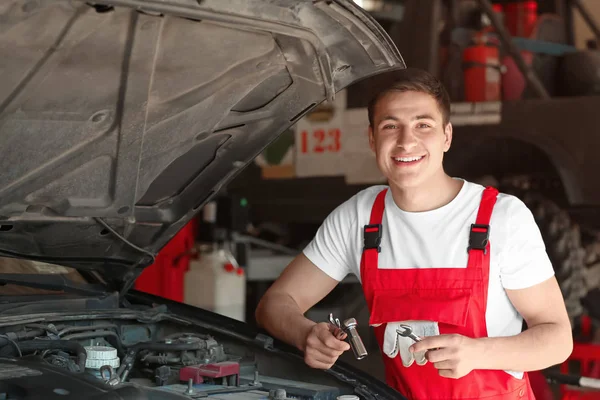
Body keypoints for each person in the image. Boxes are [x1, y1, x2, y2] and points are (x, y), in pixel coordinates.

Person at [254, 67, 573, 399]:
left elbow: (557, 339)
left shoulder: (501, 218)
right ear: (372, 138)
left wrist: (479, 353)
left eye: (424, 125)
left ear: (446, 136)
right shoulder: (360, 218)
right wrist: (306, 334)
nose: (406, 141)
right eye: (391, 126)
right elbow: (275, 304)